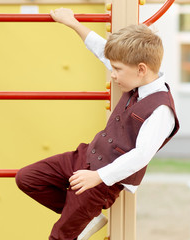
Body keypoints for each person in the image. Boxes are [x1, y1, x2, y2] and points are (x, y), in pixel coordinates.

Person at [15, 8, 180, 240]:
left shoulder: (162, 109)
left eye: (117, 70)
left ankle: (80, 213)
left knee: (59, 236)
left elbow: (141, 155)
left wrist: (98, 177)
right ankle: (83, 216)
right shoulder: (137, 76)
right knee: (27, 178)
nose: (112, 74)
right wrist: (72, 23)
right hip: (84, 157)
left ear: (141, 69)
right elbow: (102, 50)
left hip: (101, 182)